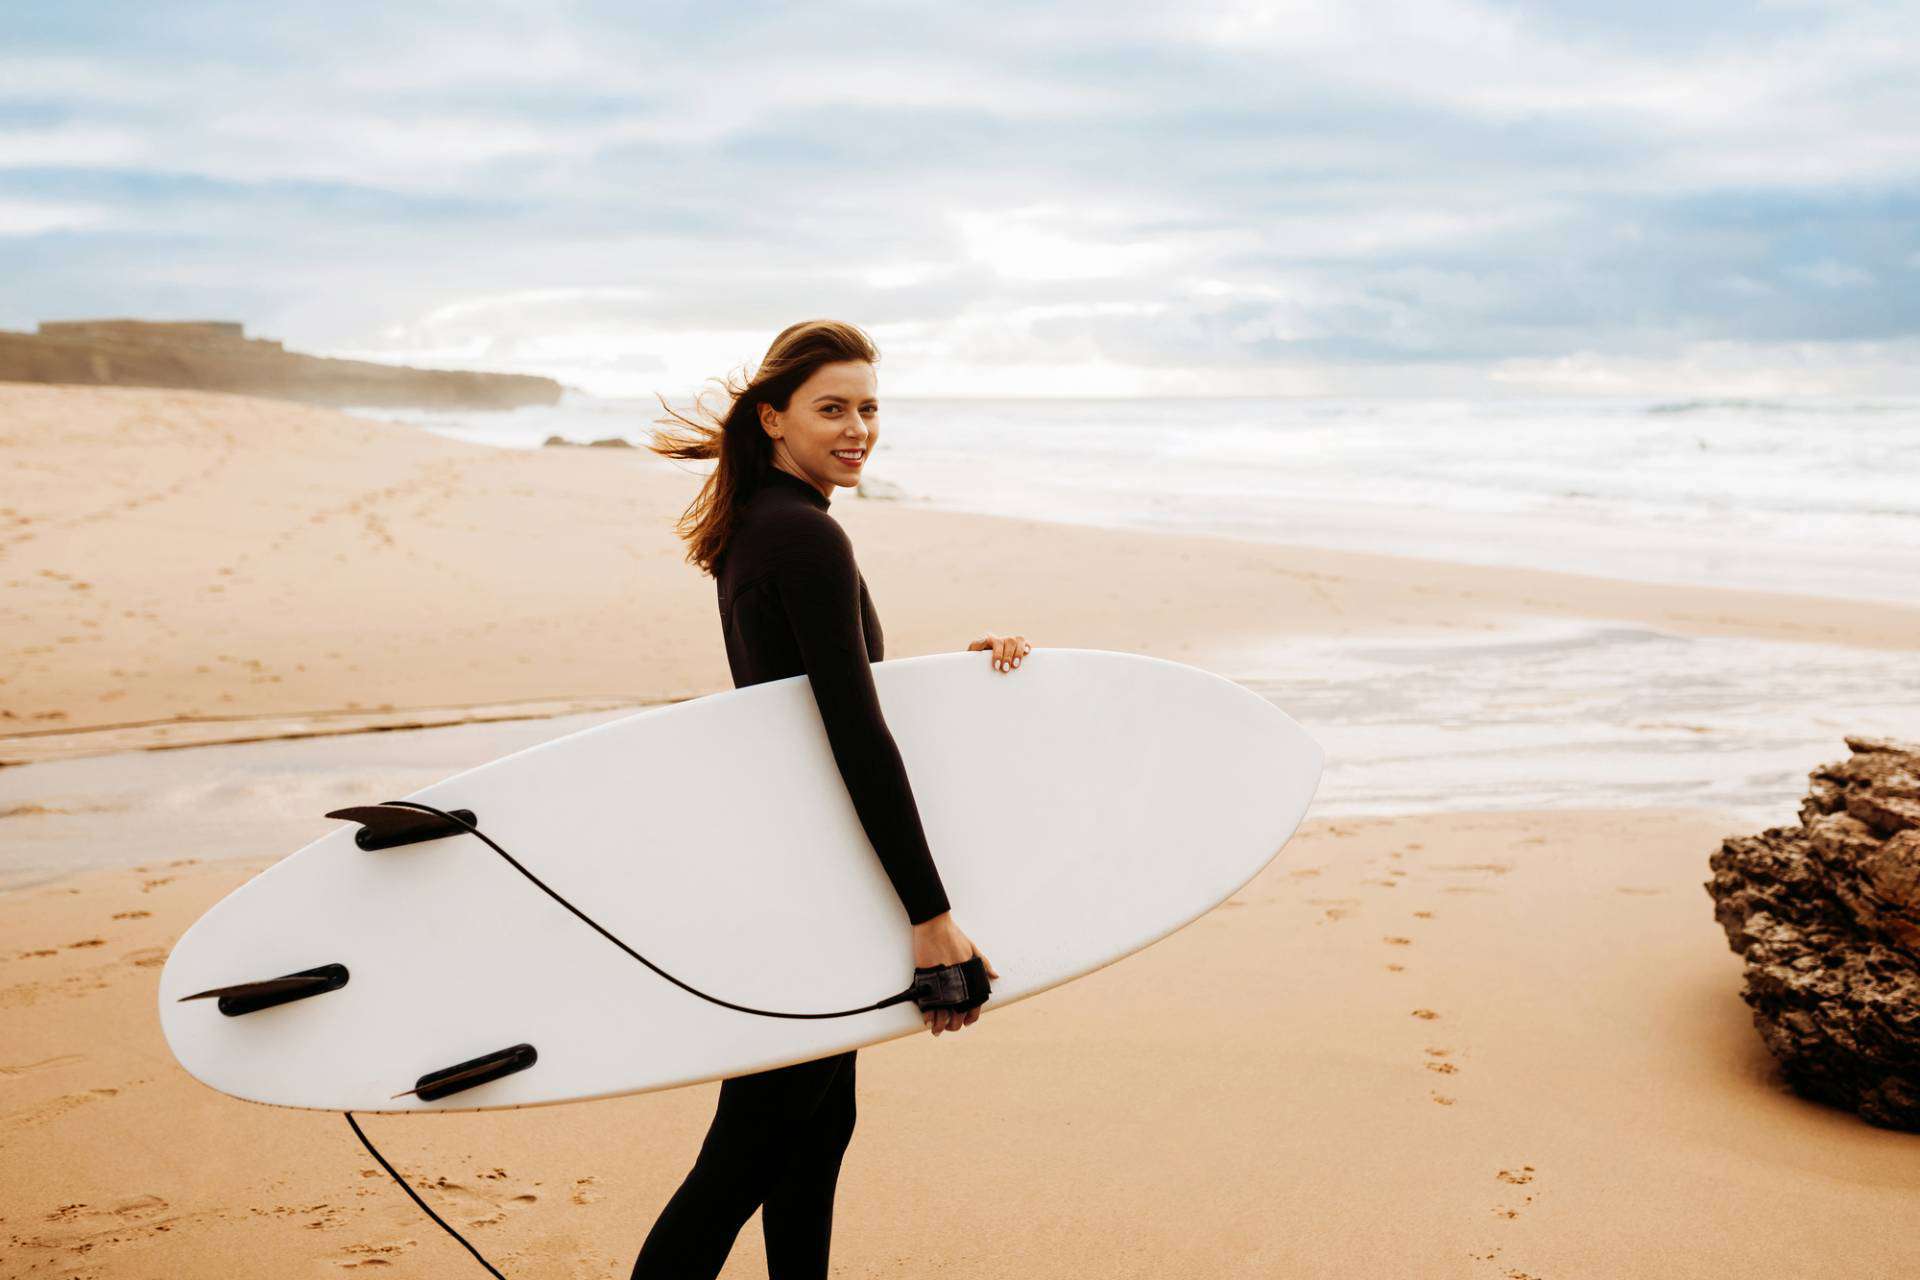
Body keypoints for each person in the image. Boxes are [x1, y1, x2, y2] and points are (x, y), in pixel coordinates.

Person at [634, 319, 1027, 1279]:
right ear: (773, 420)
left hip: (799, 867)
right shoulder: (803, 536)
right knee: (748, 1157)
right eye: (832, 409)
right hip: (811, 883)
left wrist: (956, 687)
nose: (858, 427)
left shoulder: (764, 527)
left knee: (812, 1138)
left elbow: (825, 696)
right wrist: (930, 916)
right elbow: (852, 734)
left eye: (869, 408)